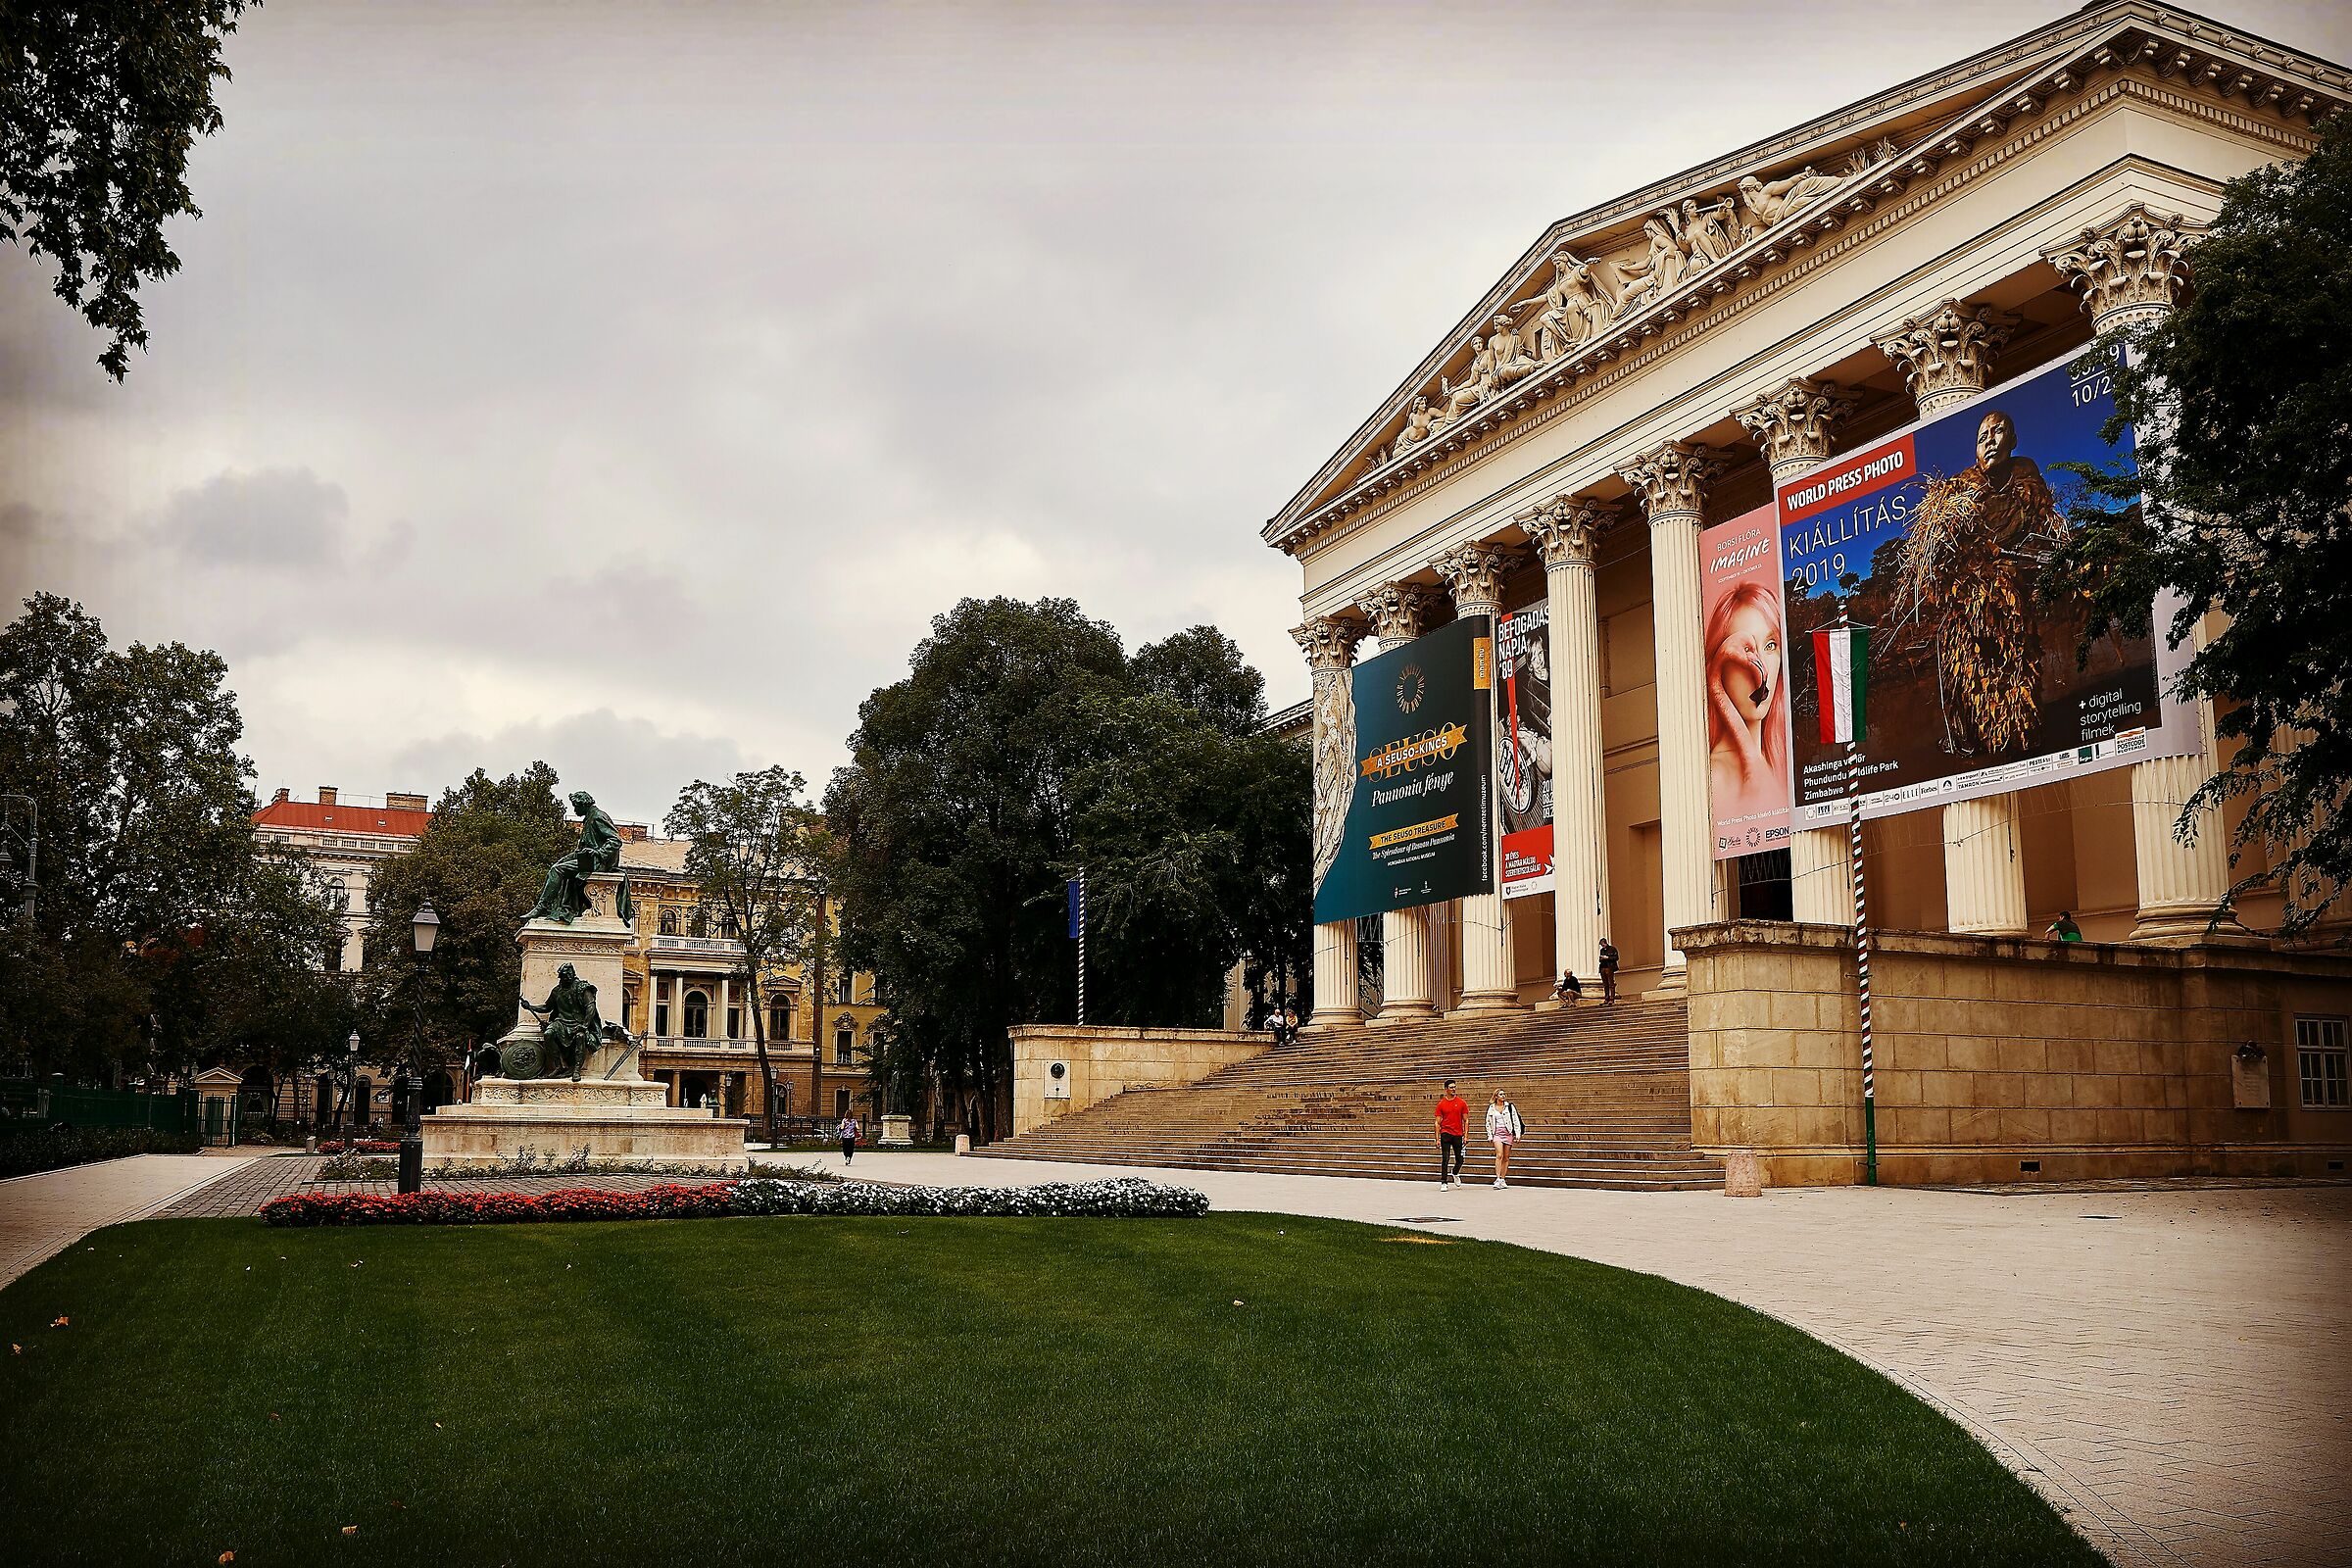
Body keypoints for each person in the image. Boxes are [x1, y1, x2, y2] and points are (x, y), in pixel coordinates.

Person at [1705, 580, 1790, 824]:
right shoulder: (1717, 778)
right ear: (1719, 667)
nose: (1760, 671)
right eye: (1749, 649)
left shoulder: (1777, 759)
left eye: (1770, 645)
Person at [1434, 1079, 1469, 1189]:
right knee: (1445, 1158)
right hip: (1446, 1133)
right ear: (1446, 1089)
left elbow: (1466, 1120)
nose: (1453, 1089)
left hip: (1458, 1133)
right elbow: (1437, 1122)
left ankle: (1455, 1172)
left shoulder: (1461, 1103)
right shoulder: (1441, 1104)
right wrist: (1437, 1138)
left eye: (1454, 1087)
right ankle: (1444, 1182)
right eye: (1451, 1087)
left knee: (1460, 1158)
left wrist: (1466, 1136)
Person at [1486, 1091, 1524, 1189]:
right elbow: (1488, 1122)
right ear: (1496, 1096)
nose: (1503, 1096)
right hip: (1497, 1133)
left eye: (1504, 1094)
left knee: (1506, 1157)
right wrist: (1490, 1135)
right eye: (1501, 1094)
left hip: (1508, 1132)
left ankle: (1503, 1179)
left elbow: (1515, 1120)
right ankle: (1498, 1178)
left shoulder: (1509, 1106)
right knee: (1499, 1155)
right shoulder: (1491, 1108)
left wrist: (1518, 1134)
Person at [1597, 937, 1620, 1004]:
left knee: (1611, 983)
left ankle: (1612, 998)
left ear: (1605, 943)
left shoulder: (1612, 949)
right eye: (1601, 945)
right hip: (1603, 967)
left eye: (1603, 944)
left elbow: (1616, 958)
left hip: (1610, 967)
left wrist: (1608, 958)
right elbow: (1600, 959)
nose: (1602, 946)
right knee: (1605, 984)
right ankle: (1606, 998)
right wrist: (1602, 958)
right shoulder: (1602, 950)